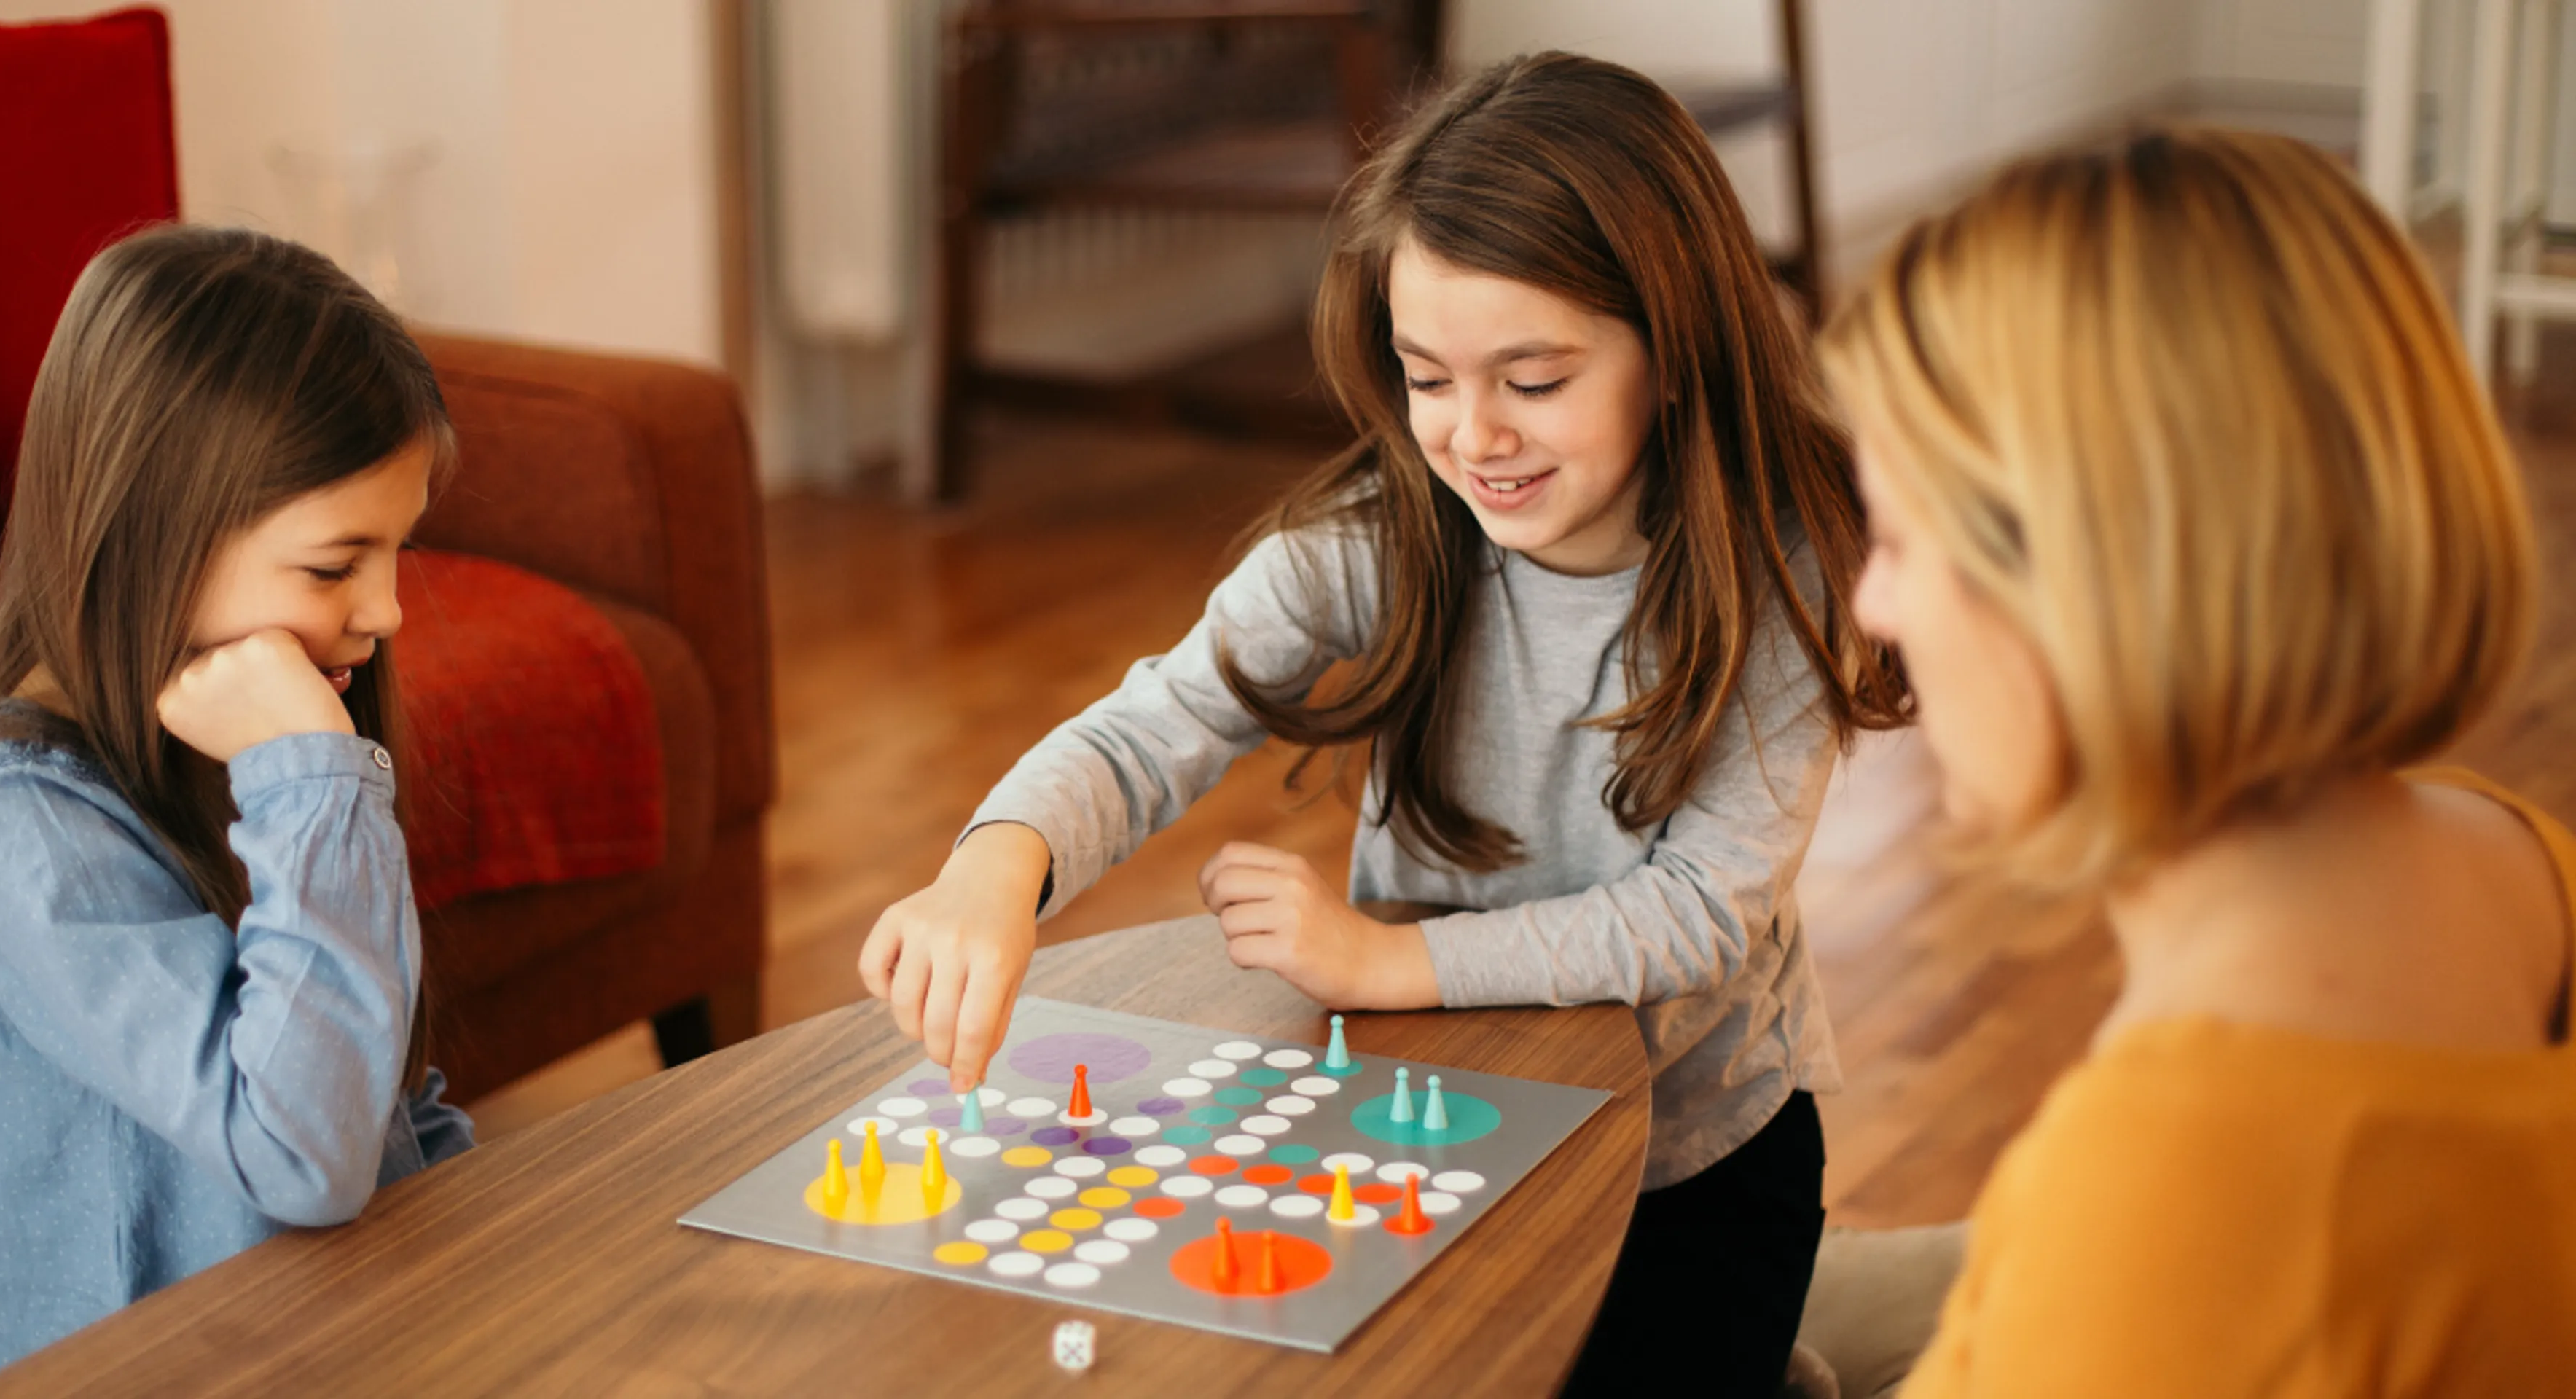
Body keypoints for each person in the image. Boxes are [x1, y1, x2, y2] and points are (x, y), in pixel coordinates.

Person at [862, 52, 1910, 1392]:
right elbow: (1151, 725)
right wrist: (993, 867)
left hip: (1694, 1166)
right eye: (1428, 378)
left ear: (1676, 350)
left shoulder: (1784, 572)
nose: (1473, 437)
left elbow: (1702, 914)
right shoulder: (1386, 539)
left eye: (1533, 382)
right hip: (1437, 1119)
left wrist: (1381, 965)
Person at [1819, 125, 2576, 1393]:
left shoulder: (2178, 1186)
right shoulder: (2508, 853)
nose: (1871, 606)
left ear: (2082, 586)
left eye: (1897, 539)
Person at [0, 225, 476, 1376]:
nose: (389, 609)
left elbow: (375, 1101)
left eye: (397, 551)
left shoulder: (233, 733)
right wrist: (312, 780)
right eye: (334, 566)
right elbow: (304, 1157)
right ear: (150, 528)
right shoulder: (19, 830)